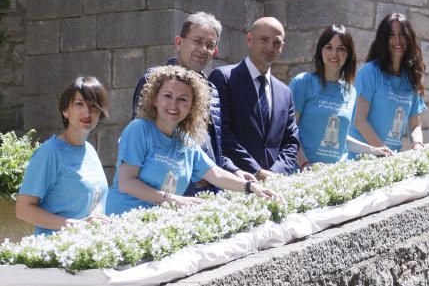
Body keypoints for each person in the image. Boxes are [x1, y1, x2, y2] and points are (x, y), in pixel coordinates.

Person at [106, 65, 279, 215]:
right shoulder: (139, 129)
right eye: (167, 96)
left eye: (183, 99)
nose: (174, 104)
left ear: (191, 107)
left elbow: (216, 174)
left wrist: (250, 187)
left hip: (158, 226)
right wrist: (174, 200)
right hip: (124, 223)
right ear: (154, 100)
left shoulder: (186, 141)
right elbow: (126, 183)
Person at [132, 12, 254, 194]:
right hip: (165, 194)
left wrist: (234, 171)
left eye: (210, 45)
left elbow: (211, 149)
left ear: (215, 51)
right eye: (197, 41)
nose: (203, 49)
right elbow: (140, 143)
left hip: (207, 194)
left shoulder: (211, 91)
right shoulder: (154, 81)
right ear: (179, 43)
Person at [16, 76, 109, 235]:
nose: (87, 112)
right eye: (79, 104)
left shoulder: (90, 151)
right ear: (65, 111)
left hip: (88, 248)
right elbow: (23, 210)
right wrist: (74, 225)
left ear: (100, 113)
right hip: (56, 252)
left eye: (93, 106)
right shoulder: (49, 153)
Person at [208, 17, 299, 179]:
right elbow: (222, 134)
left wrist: (274, 173)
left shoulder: (285, 92)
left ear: (282, 47)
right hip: (236, 181)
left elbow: (291, 142)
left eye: (276, 43)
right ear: (249, 39)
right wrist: (255, 170)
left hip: (274, 184)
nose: (270, 47)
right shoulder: (224, 78)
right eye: (264, 40)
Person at [289, 25, 383, 169]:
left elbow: (342, 138)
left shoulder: (351, 92)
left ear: (349, 54)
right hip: (302, 174)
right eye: (329, 47)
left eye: (341, 48)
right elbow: (288, 130)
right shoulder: (303, 83)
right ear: (320, 51)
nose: (334, 53)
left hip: (335, 175)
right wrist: (305, 164)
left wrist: (374, 150)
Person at [348, 13, 426, 156]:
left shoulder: (412, 78)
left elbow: (415, 125)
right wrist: (384, 152)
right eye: (391, 35)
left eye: (402, 34)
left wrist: (418, 145)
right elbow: (360, 120)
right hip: (361, 159)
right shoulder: (369, 72)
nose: (397, 40)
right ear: (383, 39)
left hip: (390, 160)